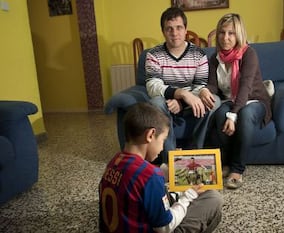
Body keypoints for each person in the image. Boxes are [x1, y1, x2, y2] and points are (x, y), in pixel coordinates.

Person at [98, 102, 223, 233]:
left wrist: (168, 169)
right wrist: (188, 196)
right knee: (213, 199)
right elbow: (164, 228)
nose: (162, 147)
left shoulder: (115, 161)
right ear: (150, 135)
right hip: (160, 228)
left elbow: (136, 179)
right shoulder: (151, 175)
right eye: (163, 140)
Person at [199, 13, 272, 189]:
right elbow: (214, 86)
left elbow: (245, 87)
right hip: (230, 100)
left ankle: (237, 169)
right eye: (222, 33)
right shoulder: (214, 59)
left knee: (245, 116)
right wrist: (204, 90)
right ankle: (227, 162)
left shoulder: (249, 54)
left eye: (231, 33)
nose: (226, 38)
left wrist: (233, 115)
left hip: (254, 100)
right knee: (219, 115)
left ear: (239, 34)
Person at [145, 7, 220, 164]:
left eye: (179, 27)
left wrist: (183, 101)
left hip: (189, 103)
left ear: (186, 30)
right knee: (155, 102)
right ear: (163, 31)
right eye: (169, 29)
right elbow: (153, 86)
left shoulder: (199, 54)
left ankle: (196, 154)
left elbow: (201, 86)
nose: (174, 33)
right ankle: (172, 160)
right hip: (166, 103)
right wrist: (180, 93)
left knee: (213, 101)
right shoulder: (153, 54)